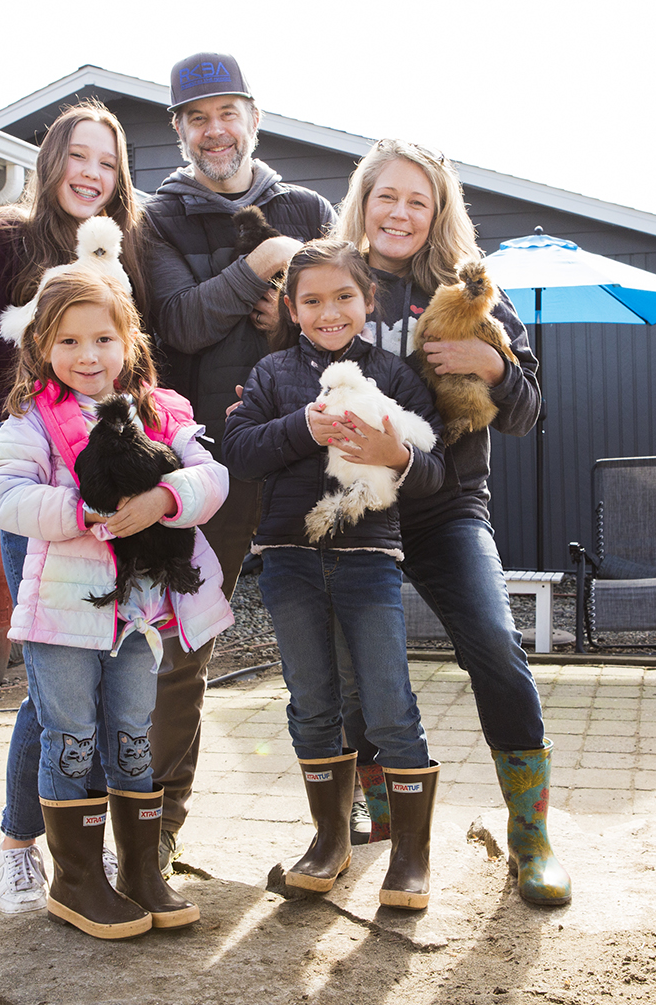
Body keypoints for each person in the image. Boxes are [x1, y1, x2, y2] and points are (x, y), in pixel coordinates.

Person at [330, 139, 571, 906]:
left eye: (417, 200)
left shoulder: (473, 292)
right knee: (357, 668)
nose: (400, 212)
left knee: (498, 646)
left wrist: (495, 366)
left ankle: (531, 838)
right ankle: (374, 821)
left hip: (447, 507)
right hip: (363, 508)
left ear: (438, 213)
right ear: (364, 204)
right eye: (386, 196)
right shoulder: (335, 283)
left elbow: (529, 414)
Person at [0, 263, 233, 938]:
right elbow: (5, 497)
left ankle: (141, 870)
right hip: (62, 614)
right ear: (41, 348)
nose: (87, 355)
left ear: (129, 340)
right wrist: (80, 506)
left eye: (102, 338)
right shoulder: (32, 421)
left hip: (137, 614)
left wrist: (165, 497)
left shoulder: (160, 412)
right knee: (71, 737)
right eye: (67, 342)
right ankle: (76, 880)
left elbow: (213, 478)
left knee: (131, 735)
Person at [141, 53, 336, 870]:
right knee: (185, 651)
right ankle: (156, 830)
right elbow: (177, 323)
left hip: (304, 449)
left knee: (333, 636)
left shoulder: (309, 205)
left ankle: (347, 821)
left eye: (228, 112)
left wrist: (280, 325)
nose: (214, 130)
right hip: (208, 466)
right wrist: (258, 268)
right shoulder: (158, 217)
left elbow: (339, 319)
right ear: (180, 130)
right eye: (197, 116)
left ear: (254, 117)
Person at [0, 101, 149, 914]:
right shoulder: (1, 239)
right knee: (52, 678)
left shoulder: (127, 246)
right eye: (78, 155)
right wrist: (67, 422)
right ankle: (16, 844)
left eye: (107, 160)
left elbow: (142, 351)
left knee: (113, 670)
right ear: (51, 161)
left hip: (123, 497)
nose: (92, 173)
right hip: (46, 486)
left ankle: (90, 849)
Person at [222, 239, 445, 909]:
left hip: (369, 560)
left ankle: (410, 854)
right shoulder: (272, 375)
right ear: (291, 308)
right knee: (312, 701)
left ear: (369, 302)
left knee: (388, 703)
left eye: (344, 297)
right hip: (287, 559)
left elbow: (434, 470)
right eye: (312, 300)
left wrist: (393, 451)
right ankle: (330, 839)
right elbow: (239, 450)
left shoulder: (396, 377)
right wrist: (304, 428)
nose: (329, 312)